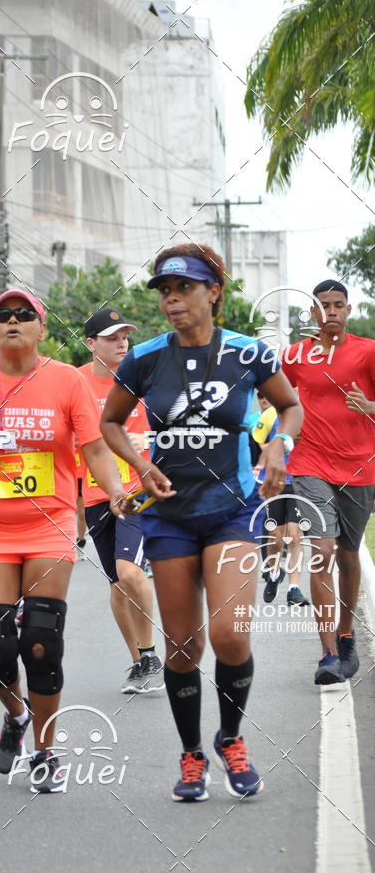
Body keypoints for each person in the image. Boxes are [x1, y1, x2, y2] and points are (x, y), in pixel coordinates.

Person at [101, 244, 302, 801]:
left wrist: (279, 448)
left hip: (233, 512)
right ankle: (191, 756)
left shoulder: (248, 354)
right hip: (169, 518)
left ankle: (230, 738)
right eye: (164, 291)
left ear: (214, 292)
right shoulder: (143, 358)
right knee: (184, 648)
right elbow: (110, 422)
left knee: (231, 634)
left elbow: (290, 406)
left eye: (183, 288)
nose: (171, 300)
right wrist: (141, 467)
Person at [0, 288, 128, 794]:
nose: (13, 321)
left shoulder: (66, 381)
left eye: (25, 315)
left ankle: (45, 751)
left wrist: (115, 490)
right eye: (4, 315)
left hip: (51, 524)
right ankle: (16, 717)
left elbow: (94, 448)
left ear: (42, 328)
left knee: (41, 643)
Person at [281, 279, 375, 684]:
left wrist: (371, 405)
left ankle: (346, 633)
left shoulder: (368, 352)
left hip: (360, 467)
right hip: (310, 464)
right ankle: (328, 654)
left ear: (348, 310)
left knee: (348, 555)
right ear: (314, 313)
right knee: (321, 549)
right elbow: (275, 395)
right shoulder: (296, 355)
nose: (331, 311)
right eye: (324, 306)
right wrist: (284, 432)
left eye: (338, 305)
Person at [80, 308, 163, 693]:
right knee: (117, 584)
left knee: (130, 572)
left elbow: (167, 429)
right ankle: (138, 662)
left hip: (136, 492)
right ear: (90, 343)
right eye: (112, 337)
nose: (122, 343)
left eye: (125, 336)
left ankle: (149, 653)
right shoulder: (74, 383)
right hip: (94, 495)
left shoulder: (141, 380)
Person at [252, 395, 308, 606]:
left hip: (301, 479)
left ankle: (294, 589)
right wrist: (278, 445)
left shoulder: (306, 413)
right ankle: (274, 574)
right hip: (275, 479)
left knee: (295, 535)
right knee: (276, 537)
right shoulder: (269, 414)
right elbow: (257, 443)